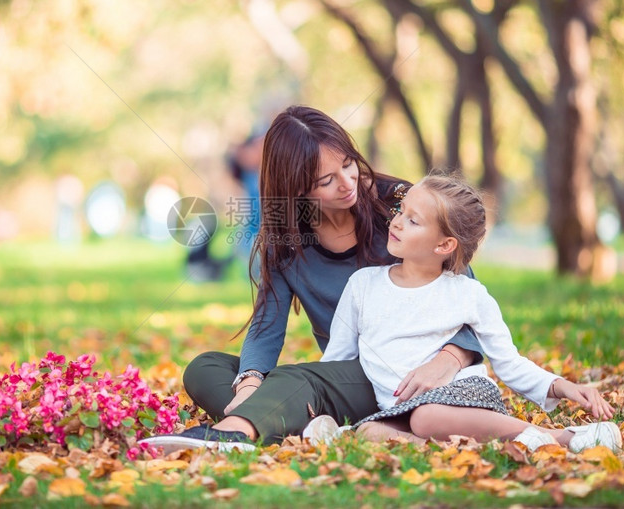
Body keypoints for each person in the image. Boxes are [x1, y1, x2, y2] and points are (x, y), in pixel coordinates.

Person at [141, 106, 484, 452]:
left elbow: (468, 298)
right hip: (338, 376)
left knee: (297, 379)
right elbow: (266, 323)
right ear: (295, 187)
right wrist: (249, 382)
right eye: (326, 181)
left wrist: (448, 360)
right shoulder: (287, 235)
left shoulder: (400, 204)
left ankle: (234, 434)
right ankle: (311, 424)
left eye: (348, 164)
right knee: (206, 367)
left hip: (405, 373)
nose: (347, 184)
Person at [305, 174, 620, 453]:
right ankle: (470, 449)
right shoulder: (363, 285)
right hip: (399, 410)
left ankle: (560, 437)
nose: (397, 222)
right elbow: (336, 359)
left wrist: (563, 386)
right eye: (401, 211)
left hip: (463, 396)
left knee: (426, 417)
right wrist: (318, 407)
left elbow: (509, 363)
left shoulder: (467, 294)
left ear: (444, 245)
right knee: (368, 432)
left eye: (413, 220)